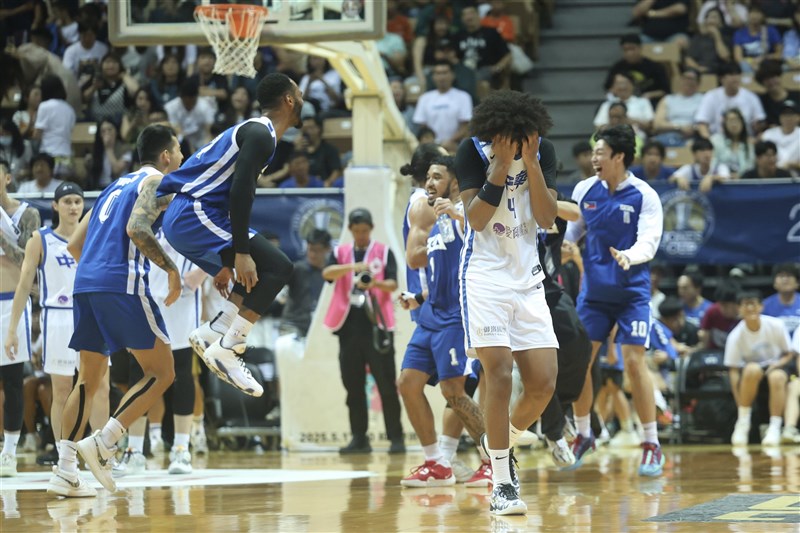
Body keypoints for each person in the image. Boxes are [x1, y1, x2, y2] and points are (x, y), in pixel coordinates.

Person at [45, 124, 184, 497]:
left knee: (87, 380)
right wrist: (171, 269)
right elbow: (138, 229)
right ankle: (105, 443)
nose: (182, 158)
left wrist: (97, 268)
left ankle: (64, 470)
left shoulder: (114, 186)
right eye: (179, 152)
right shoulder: (156, 180)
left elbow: (74, 245)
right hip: (121, 283)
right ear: (166, 156)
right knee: (162, 372)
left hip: (86, 283)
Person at [159, 73, 301, 399]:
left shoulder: (257, 132)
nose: (303, 98)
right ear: (289, 99)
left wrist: (229, 258)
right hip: (195, 212)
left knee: (265, 269)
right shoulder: (261, 134)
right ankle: (230, 347)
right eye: (300, 93)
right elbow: (241, 193)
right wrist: (239, 252)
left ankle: (218, 330)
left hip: (195, 214)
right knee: (278, 266)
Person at [455, 90, 559, 515]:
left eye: (523, 139)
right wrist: (498, 167)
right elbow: (476, 219)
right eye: (509, 139)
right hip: (485, 278)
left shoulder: (541, 150)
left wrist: (531, 164)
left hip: (528, 279)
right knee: (498, 373)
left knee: (543, 384)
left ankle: (499, 441)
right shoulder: (471, 151)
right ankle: (502, 483)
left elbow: (549, 218)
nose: (517, 144)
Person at [565, 124, 666, 477]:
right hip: (593, 294)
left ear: (619, 157)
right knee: (579, 363)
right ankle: (583, 434)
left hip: (632, 293)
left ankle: (651, 443)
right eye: (593, 152)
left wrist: (630, 255)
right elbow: (573, 230)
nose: (593, 158)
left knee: (634, 363)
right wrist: (565, 245)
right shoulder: (584, 190)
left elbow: (650, 241)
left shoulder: (644, 195)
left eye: (600, 152)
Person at [397, 156, 488, 486]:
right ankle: (437, 464)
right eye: (428, 177)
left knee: (454, 392)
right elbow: (417, 259)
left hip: (457, 316)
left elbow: (479, 240)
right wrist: (418, 297)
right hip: (431, 313)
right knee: (407, 383)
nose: (429, 182)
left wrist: (454, 214)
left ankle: (494, 460)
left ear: (454, 180)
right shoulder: (428, 213)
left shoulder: (469, 209)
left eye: (437, 177)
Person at [4, 182, 92, 478]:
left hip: (90, 315)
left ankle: (99, 453)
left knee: (94, 388)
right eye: (66, 201)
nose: (73, 207)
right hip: (57, 317)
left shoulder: (93, 236)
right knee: (62, 390)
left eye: (77, 201)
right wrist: (12, 329)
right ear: (55, 206)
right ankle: (63, 454)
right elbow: (23, 285)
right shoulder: (40, 239)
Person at [114, 228, 204, 476]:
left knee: (182, 372)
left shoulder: (188, 209)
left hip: (181, 300)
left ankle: (181, 448)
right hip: (144, 299)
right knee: (138, 372)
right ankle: (134, 451)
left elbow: (222, 242)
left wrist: (202, 272)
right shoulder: (142, 211)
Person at [322, 208, 405, 454]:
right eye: (356, 231)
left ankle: (396, 438)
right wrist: (352, 267)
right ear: (350, 230)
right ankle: (359, 437)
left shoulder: (383, 251)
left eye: (365, 231)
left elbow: (393, 284)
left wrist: (373, 281)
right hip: (348, 325)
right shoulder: (340, 252)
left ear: (371, 229)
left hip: (377, 324)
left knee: (386, 383)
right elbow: (327, 274)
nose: (360, 235)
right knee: (353, 384)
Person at [536, 196, 593, 467]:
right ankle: (554, 434)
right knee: (539, 368)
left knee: (581, 343)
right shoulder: (507, 211)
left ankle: (563, 408)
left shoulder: (546, 205)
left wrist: (539, 198)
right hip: (521, 295)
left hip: (550, 291)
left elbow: (575, 211)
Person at [0, 160, 41, 477]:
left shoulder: (28, 214)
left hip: (12, 304)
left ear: (8, 177)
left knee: (13, 381)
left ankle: (10, 453)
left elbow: (29, 260)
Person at [726, 290, 793, 447]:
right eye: (745, 305)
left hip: (777, 367)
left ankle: (775, 427)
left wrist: (778, 364)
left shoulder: (776, 325)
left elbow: (789, 353)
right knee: (751, 369)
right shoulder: (735, 335)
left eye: (753, 304)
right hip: (752, 374)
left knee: (776, 377)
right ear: (739, 309)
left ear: (761, 307)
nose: (750, 308)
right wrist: (739, 404)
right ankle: (743, 423)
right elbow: (734, 370)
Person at [413, 60, 473, 153]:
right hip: (430, 146)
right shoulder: (424, 98)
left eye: (445, 73)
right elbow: (423, 127)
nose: (441, 77)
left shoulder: (463, 97)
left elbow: (465, 126)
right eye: (438, 73)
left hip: (455, 145)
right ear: (433, 77)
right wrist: (432, 142)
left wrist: (450, 141)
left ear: (453, 75)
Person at [694, 62, 765, 137]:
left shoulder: (751, 97)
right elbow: (702, 123)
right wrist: (709, 142)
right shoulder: (711, 96)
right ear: (722, 78)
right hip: (718, 140)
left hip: (745, 140)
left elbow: (759, 123)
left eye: (737, 74)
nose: (735, 78)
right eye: (731, 75)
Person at [604, 34, 670, 105]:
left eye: (632, 49)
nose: (629, 53)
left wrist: (650, 95)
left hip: (650, 102)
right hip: (624, 102)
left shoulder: (654, 67)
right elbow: (608, 88)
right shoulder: (617, 68)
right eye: (625, 50)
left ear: (640, 48)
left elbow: (665, 90)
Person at [652, 69, 704, 147]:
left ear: (698, 82)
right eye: (685, 78)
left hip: (695, 135)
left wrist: (694, 128)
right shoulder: (667, 99)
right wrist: (679, 127)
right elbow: (657, 124)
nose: (687, 81)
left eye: (691, 79)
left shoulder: (704, 99)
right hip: (670, 134)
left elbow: (707, 122)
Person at [699, 280, 741, 350]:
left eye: (725, 305)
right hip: (715, 354)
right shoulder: (712, 312)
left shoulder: (745, 315)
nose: (722, 309)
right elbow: (704, 337)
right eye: (720, 304)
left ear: (736, 304)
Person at [761, 100, 800, 173]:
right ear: (780, 117)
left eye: (791, 114)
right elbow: (760, 158)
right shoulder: (769, 134)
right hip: (772, 176)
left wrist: (792, 165)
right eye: (784, 114)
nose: (788, 118)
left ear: (798, 117)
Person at [763, 263, 800, 336]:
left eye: (789, 276)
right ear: (774, 284)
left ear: (797, 283)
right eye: (781, 276)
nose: (785, 279)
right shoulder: (765, 306)